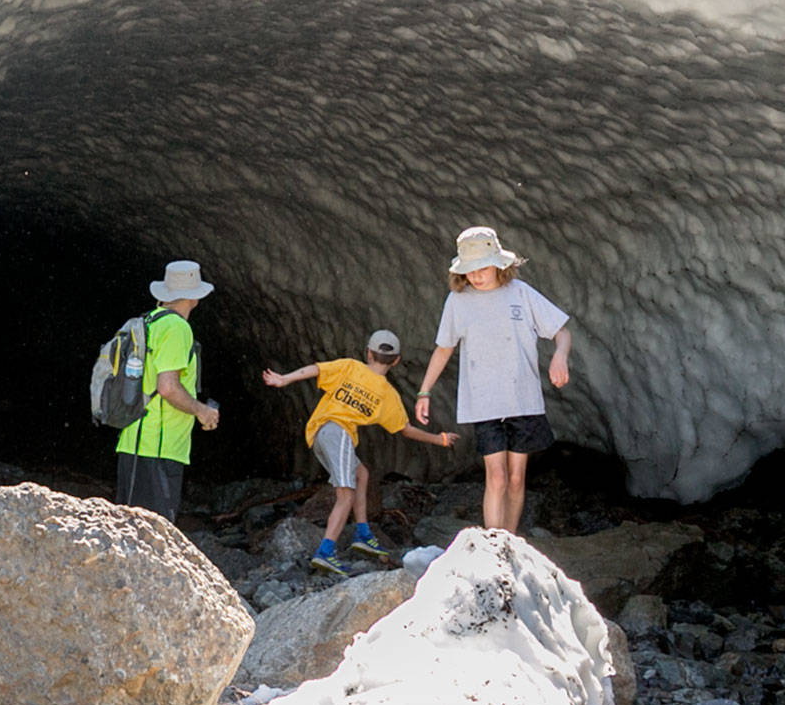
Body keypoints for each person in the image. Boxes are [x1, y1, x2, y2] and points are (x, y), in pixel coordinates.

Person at [414, 226, 572, 535]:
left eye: (482, 267)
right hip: (484, 402)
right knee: (496, 477)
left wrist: (559, 356)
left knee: (515, 478)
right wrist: (424, 391)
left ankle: (508, 542)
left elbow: (561, 331)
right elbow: (443, 348)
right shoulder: (458, 301)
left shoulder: (522, 294)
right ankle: (493, 545)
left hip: (522, 399)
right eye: (470, 269)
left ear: (499, 264)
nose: (476, 275)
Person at [263, 330, 458, 574]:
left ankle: (362, 532)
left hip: (319, 432)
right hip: (339, 433)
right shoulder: (388, 395)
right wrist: (439, 439)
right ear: (396, 360)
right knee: (345, 495)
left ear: (368, 353)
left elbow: (316, 369)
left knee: (361, 473)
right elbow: (405, 430)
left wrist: (284, 379)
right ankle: (325, 551)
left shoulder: (350, 367)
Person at [113, 260, 220, 523]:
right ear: (194, 297)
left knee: (129, 531)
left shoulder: (148, 321)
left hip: (133, 440)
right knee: (153, 534)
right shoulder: (176, 328)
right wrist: (202, 411)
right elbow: (167, 387)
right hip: (158, 447)